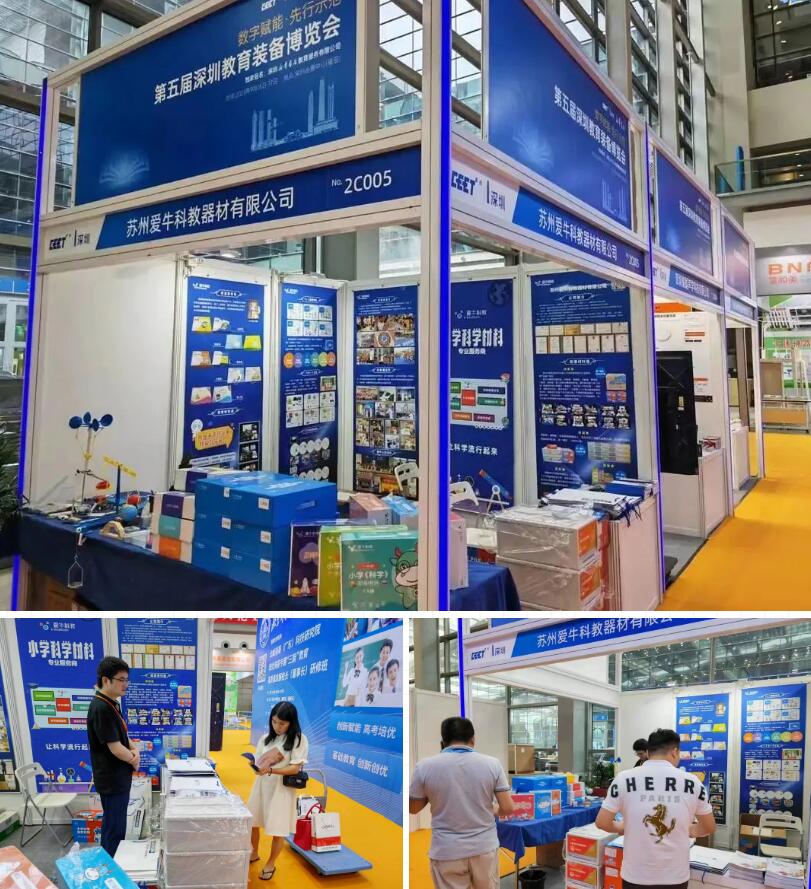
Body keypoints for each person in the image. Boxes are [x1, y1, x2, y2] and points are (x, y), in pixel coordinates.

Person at [595, 728, 716, 889]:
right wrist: (689, 830)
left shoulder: (623, 778)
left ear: (648, 752)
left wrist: (622, 827)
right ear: (674, 752)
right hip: (675, 876)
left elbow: (602, 822)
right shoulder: (693, 782)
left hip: (635, 875)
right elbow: (708, 826)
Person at [409, 717, 515, 889]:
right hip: (484, 848)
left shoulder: (424, 766)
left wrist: (432, 794)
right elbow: (508, 808)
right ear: (473, 739)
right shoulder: (492, 764)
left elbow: (413, 808)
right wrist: (491, 808)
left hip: (447, 850)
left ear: (443, 742)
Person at [247, 701, 309, 881]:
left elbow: (295, 769)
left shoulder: (298, 739)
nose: (277, 726)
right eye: (274, 721)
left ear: (291, 722)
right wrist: (255, 765)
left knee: (277, 828)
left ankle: (271, 863)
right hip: (261, 786)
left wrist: (271, 770)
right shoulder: (266, 738)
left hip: (281, 790)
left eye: (282, 723)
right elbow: (259, 761)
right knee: (253, 821)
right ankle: (253, 852)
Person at [87, 656, 139, 857]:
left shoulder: (112, 703)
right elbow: (116, 748)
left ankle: (113, 860)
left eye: (127, 680)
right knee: (113, 827)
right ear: (105, 680)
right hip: (112, 779)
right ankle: (109, 864)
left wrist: (135, 751)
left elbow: (123, 736)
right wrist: (133, 759)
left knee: (117, 823)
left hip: (118, 776)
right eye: (121, 680)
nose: (126, 684)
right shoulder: (101, 707)